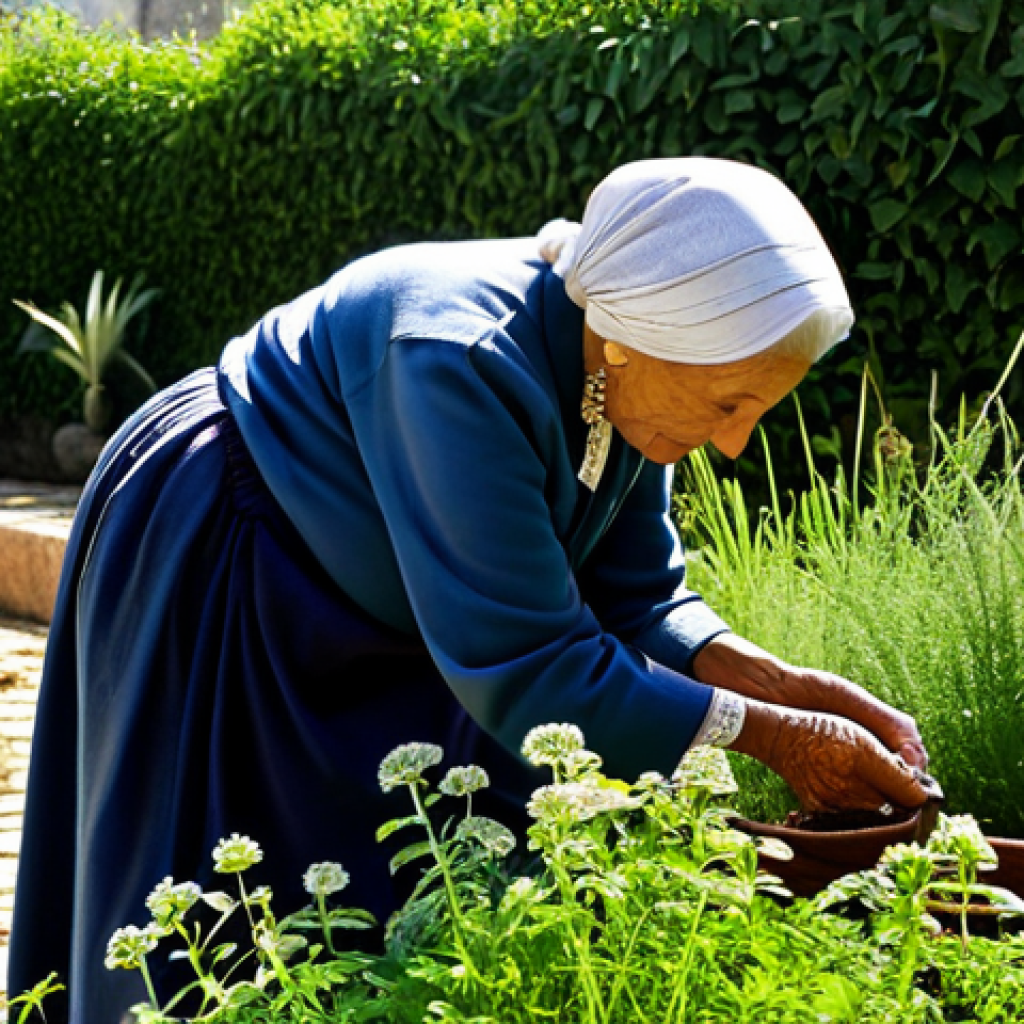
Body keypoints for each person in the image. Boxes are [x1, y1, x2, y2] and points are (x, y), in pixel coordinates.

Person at [10, 157, 932, 1022]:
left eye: (756, 409)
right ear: (628, 342)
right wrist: (781, 740)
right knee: (211, 897)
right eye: (729, 404)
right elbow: (530, 664)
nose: (734, 441)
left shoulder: (625, 384)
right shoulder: (457, 358)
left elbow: (641, 599)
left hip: (377, 579)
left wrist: (791, 691)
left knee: (382, 892)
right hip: (229, 540)